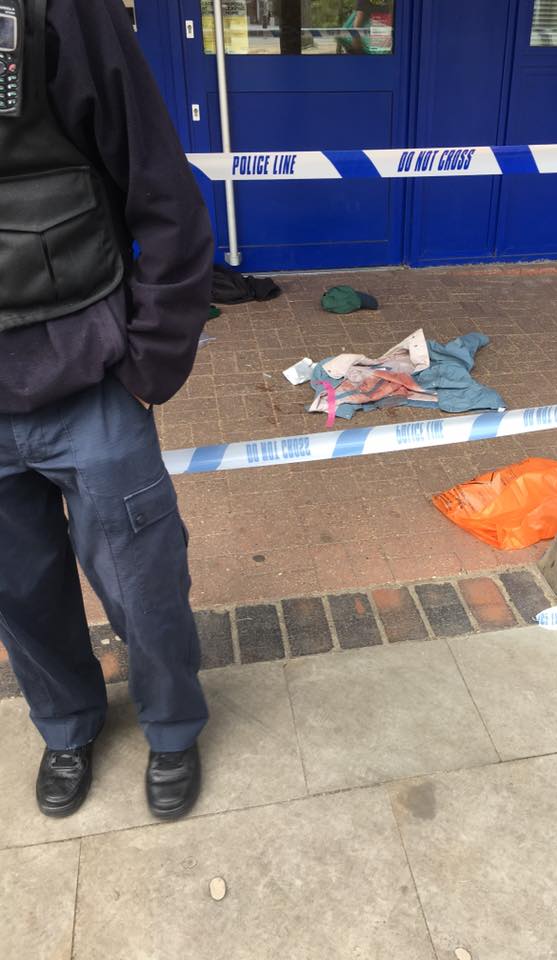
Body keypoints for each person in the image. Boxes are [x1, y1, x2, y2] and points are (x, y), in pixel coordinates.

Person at [0, 0, 214, 820]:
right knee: (19, 592)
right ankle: (66, 725)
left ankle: (171, 729)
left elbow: (164, 197)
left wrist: (145, 366)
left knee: (143, 586)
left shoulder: (63, 12)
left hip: (90, 385)